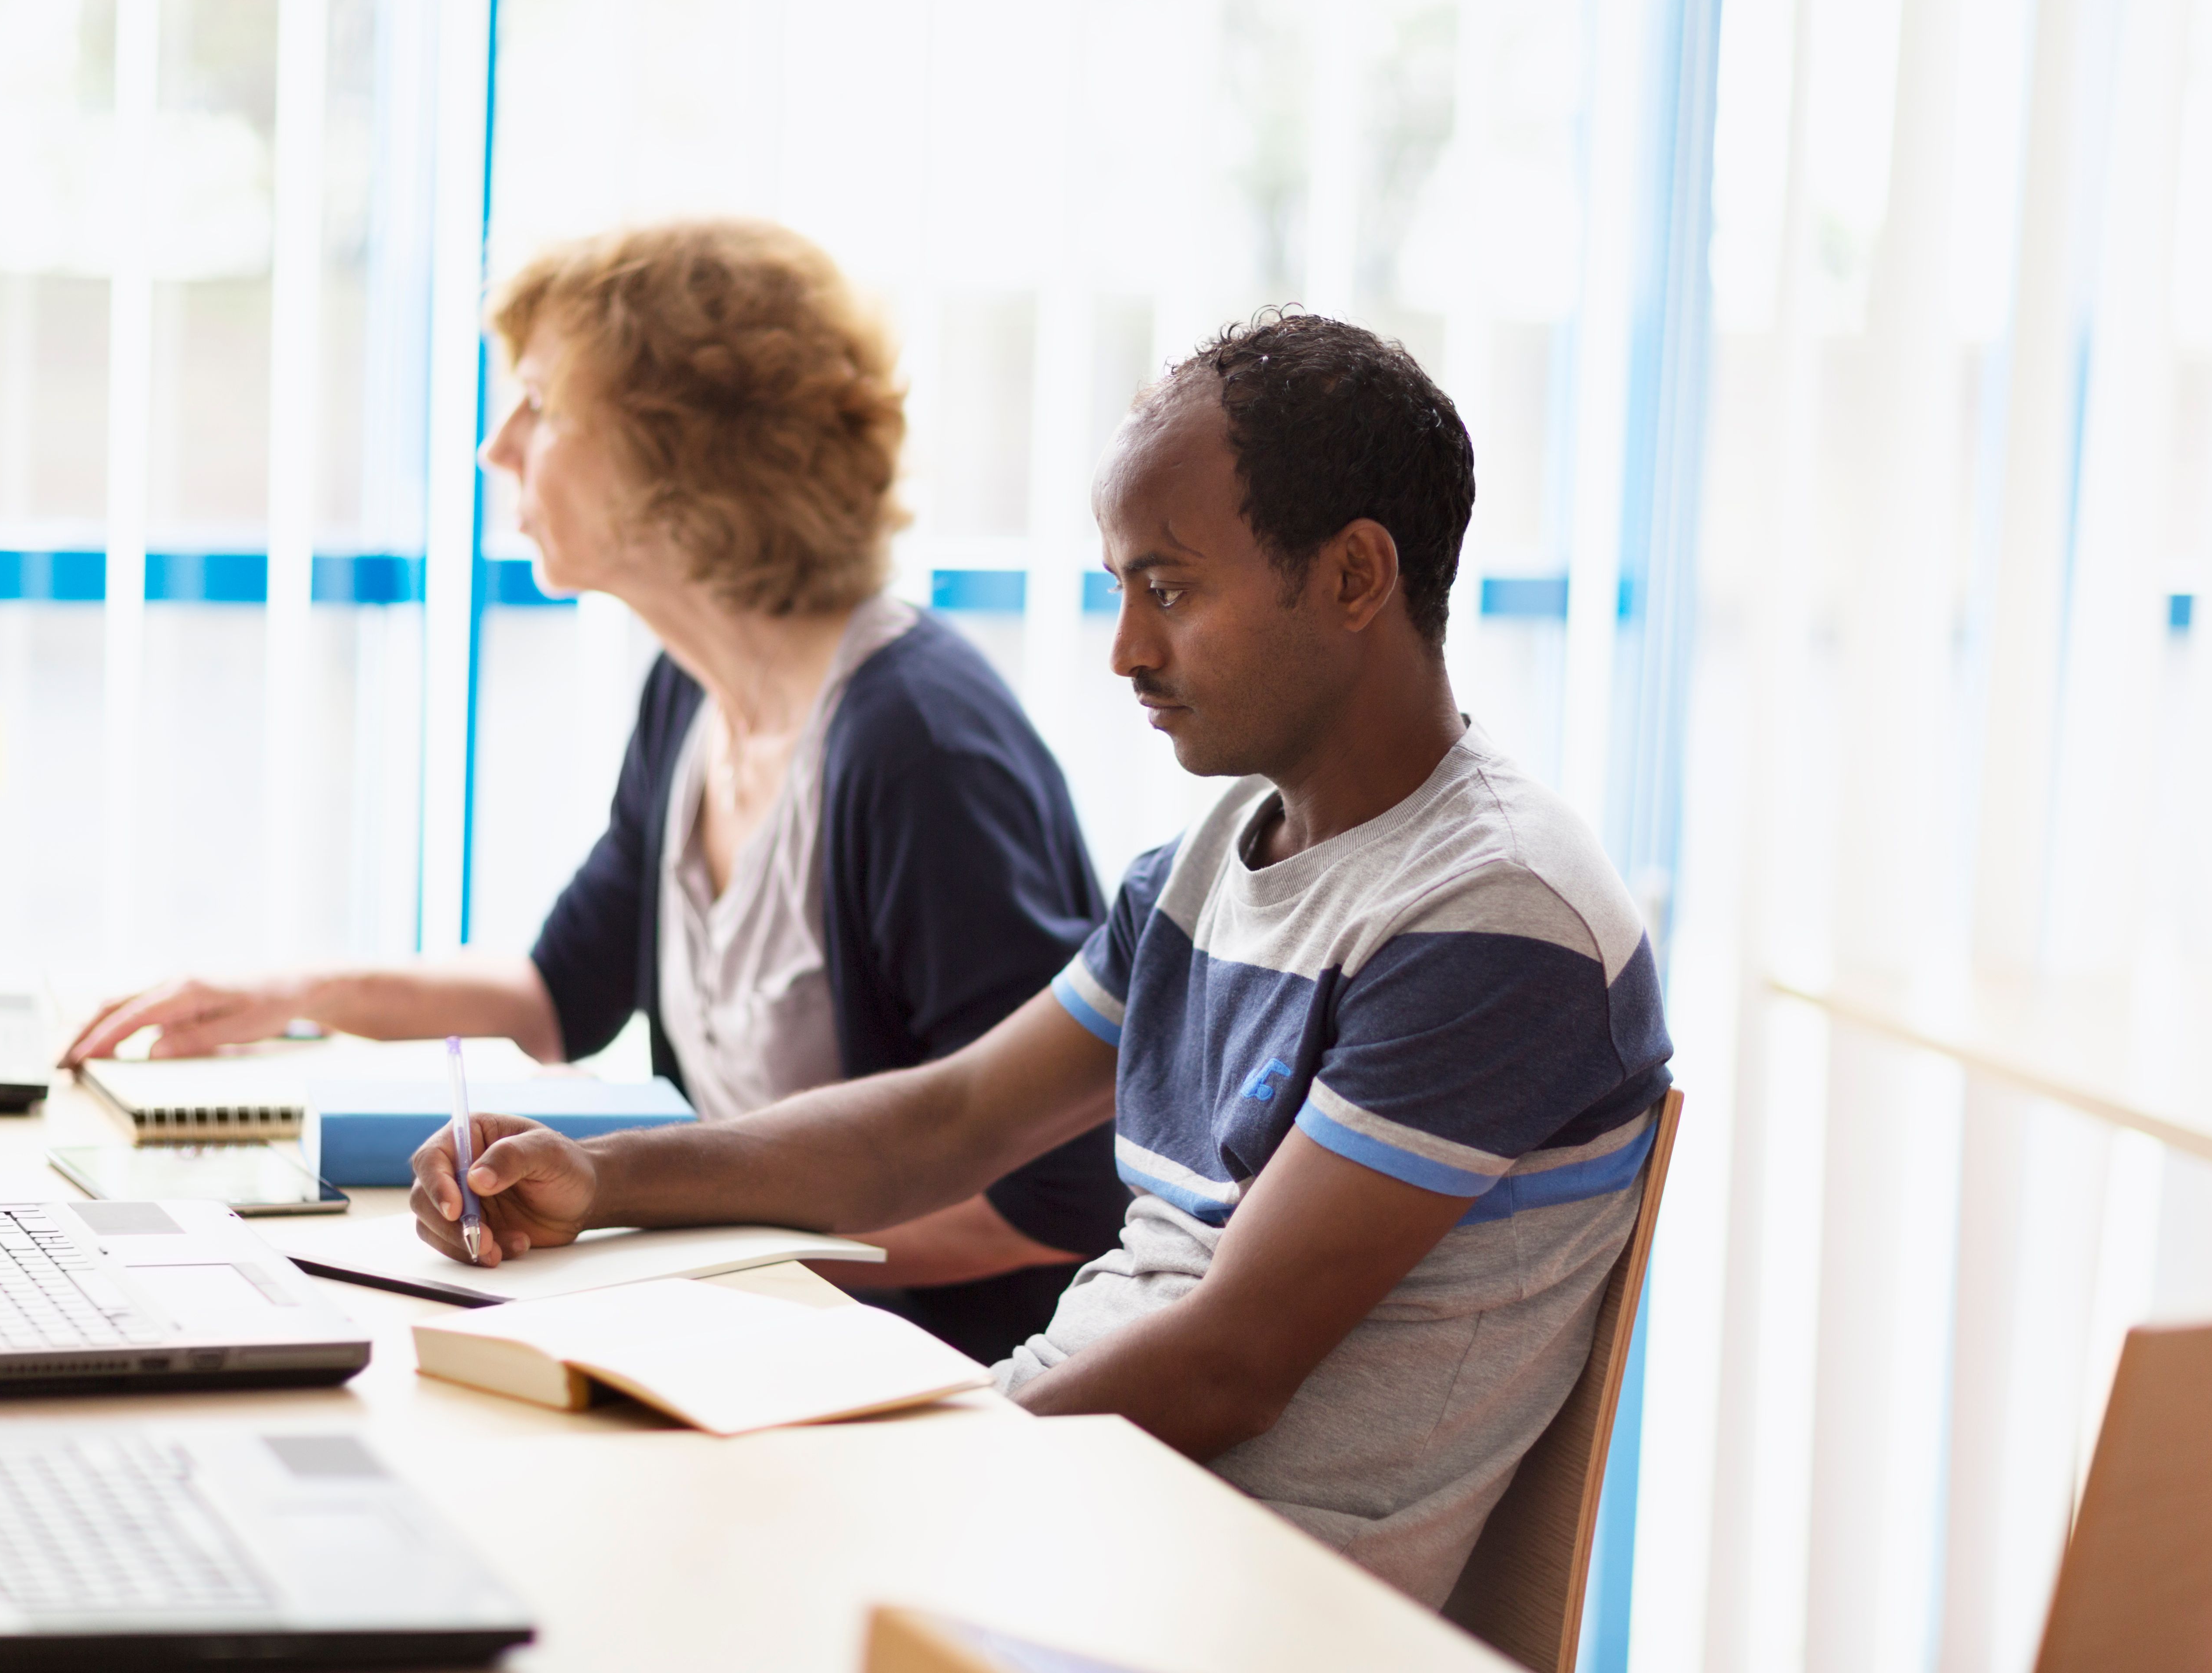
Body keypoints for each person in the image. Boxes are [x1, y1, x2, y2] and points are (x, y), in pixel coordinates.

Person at [407, 310, 1675, 1605]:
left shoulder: (1496, 911)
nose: (1127, 650)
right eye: (1120, 590)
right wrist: (601, 1178)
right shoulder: (1210, 862)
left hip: (1217, 1589)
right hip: (1066, 1508)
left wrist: (895, 1483)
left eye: (1169, 590)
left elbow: (1230, 1365)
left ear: (1355, 577)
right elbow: (948, 1118)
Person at [64, 219, 1129, 1364]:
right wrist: (292, 991)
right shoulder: (693, 694)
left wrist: (663, 1230)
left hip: (912, 1372)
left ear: (687, 454)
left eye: (541, 404)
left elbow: (1051, 1198)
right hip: (751, 1332)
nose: (497, 447)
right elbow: (555, 996)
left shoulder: (919, 747)